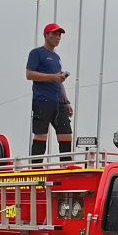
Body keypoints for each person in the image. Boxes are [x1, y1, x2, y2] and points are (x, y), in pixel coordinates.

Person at [26, 23, 73, 161]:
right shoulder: (36, 53)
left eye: (59, 35)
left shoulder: (57, 58)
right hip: (43, 100)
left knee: (66, 134)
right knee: (41, 134)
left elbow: (59, 81)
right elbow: (29, 74)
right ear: (46, 35)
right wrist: (52, 77)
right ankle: (36, 168)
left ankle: (66, 167)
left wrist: (67, 101)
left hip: (59, 102)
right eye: (54, 34)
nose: (58, 37)